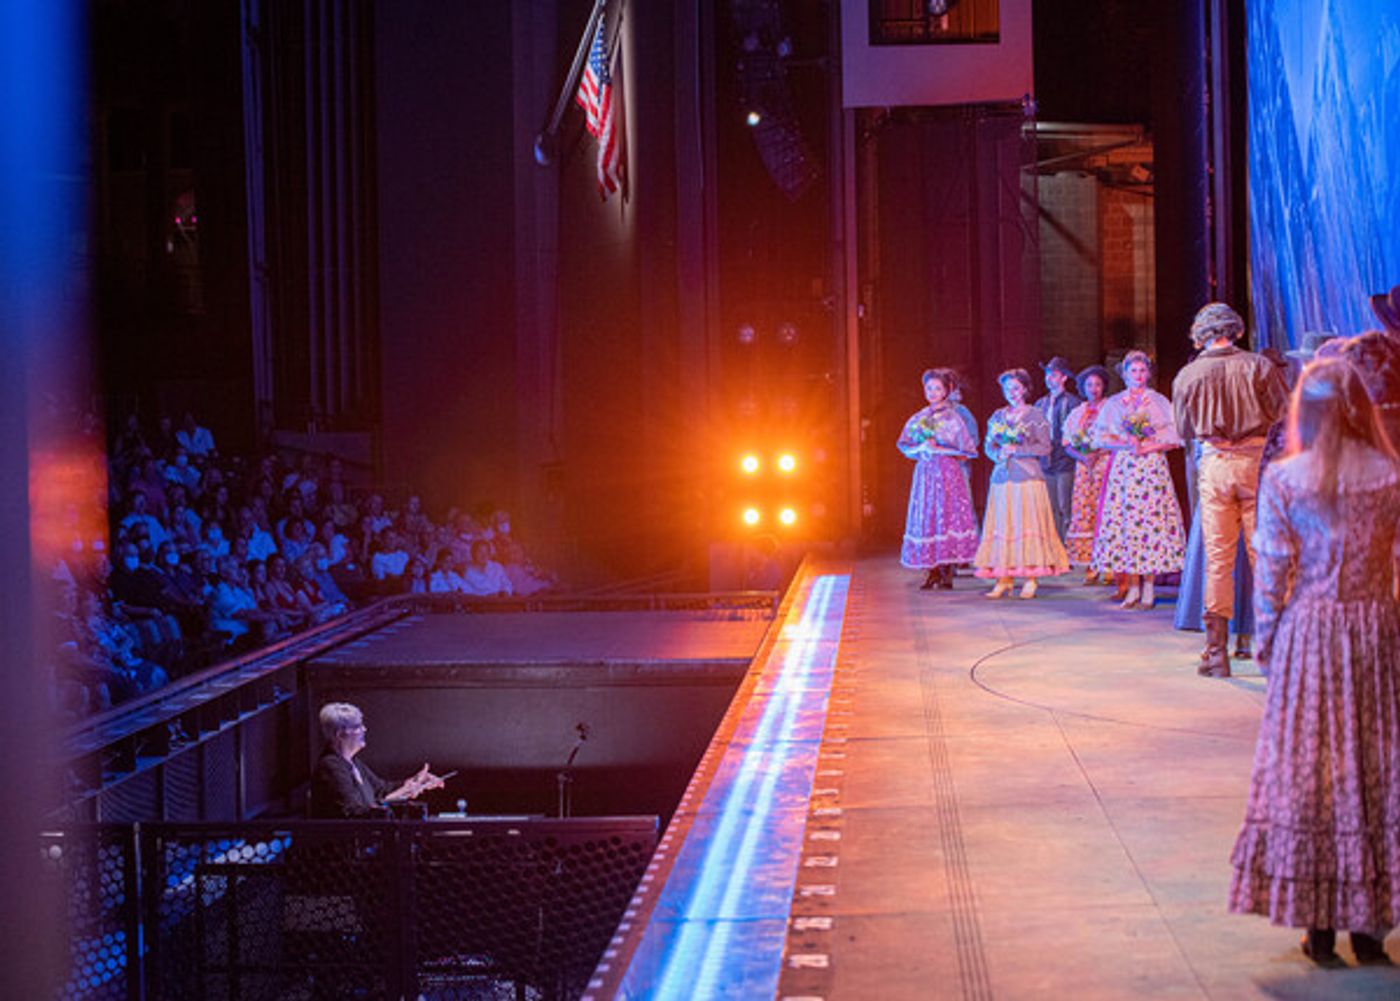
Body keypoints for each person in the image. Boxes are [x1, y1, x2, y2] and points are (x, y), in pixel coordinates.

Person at [1227, 358, 1400, 966]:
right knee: (1373, 769)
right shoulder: (1390, 475)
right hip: (1378, 633)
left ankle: (1320, 927)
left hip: (1311, 634)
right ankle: (1371, 927)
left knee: (1311, 770)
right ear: (1360, 409)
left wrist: (1268, 642)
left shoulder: (1286, 479)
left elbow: (1271, 570)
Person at [1172, 302, 1289, 676]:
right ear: (1235, 330)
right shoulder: (1259, 366)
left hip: (1216, 464)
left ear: (1201, 334)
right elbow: (1283, 415)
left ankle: (1216, 652)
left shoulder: (1188, 375)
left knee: (1218, 560)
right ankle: (1273, 649)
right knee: (1264, 555)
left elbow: (1184, 429)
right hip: (1256, 463)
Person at [1091, 350, 1186, 610]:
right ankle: (1132, 587)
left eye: (1142, 371)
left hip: (1151, 468)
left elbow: (1174, 438)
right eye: (1133, 371)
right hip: (1125, 468)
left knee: (1150, 524)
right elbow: (1100, 438)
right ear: (1124, 374)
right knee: (1127, 525)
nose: (1138, 375)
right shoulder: (1114, 404)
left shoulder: (1157, 401)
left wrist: (1149, 446)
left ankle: (1149, 588)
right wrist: (1126, 442)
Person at [972, 369, 1069, 599]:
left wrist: (1018, 449)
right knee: (1004, 527)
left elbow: (1045, 447)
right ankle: (1004, 578)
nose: (1012, 393)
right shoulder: (998, 416)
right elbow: (988, 446)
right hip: (1002, 478)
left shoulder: (1035, 415)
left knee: (1027, 526)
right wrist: (999, 453)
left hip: (1027, 478)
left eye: (1016, 388)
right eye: (1007, 389)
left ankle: (1030, 578)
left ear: (1025, 388)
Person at [897, 368, 980, 589]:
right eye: (929, 388)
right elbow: (904, 445)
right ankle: (931, 570)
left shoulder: (953, 417)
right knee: (927, 517)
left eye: (937, 388)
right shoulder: (920, 417)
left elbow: (968, 449)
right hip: (925, 473)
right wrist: (921, 447)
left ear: (946, 391)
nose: (932, 392)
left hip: (946, 472)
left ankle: (947, 571)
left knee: (946, 516)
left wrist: (941, 447)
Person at [309, 702, 446, 818]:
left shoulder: (355, 763)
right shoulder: (331, 766)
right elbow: (353, 813)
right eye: (357, 726)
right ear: (340, 734)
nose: (364, 729)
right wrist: (398, 795)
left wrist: (412, 782)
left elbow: (381, 790)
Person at [1061, 365, 1112, 579]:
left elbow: (1118, 436)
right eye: (1089, 385)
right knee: (1086, 511)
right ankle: (1090, 563)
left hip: (1104, 463)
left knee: (1106, 510)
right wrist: (1083, 456)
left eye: (1098, 384)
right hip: (1084, 467)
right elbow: (1066, 442)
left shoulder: (1111, 408)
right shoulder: (1077, 412)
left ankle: (1109, 563)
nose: (1094, 389)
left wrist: (1098, 451)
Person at [1034, 357, 1082, 544]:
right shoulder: (1040, 404)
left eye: (1053, 375)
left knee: (1065, 505)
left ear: (1063, 378)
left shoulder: (1073, 403)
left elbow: (1077, 432)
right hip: (1046, 461)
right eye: (1047, 375)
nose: (1049, 378)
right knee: (1050, 505)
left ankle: (1068, 546)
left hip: (1065, 460)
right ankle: (1054, 546)